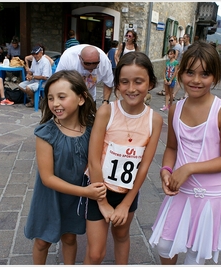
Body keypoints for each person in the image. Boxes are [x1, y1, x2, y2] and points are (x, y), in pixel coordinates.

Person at [149, 41, 221, 265]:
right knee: (165, 245)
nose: (196, 80)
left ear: (215, 77)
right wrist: (166, 171)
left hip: (209, 195)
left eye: (205, 74)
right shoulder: (175, 108)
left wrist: (188, 168)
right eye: (190, 72)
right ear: (180, 73)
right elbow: (171, 147)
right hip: (179, 190)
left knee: (195, 255)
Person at [84, 51, 163, 264]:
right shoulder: (106, 112)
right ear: (117, 84)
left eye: (138, 82)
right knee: (95, 253)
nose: (131, 88)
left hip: (127, 191)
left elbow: (144, 166)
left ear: (151, 83)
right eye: (124, 82)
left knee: (121, 236)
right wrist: (102, 202)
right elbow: (93, 159)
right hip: (98, 187)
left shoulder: (154, 120)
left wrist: (126, 203)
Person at [24, 70, 107, 264]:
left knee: (70, 237)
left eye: (62, 97)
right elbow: (47, 178)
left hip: (76, 198)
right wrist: (85, 192)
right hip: (50, 197)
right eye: (51, 98)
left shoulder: (93, 128)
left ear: (81, 98)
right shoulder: (46, 133)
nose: (55, 103)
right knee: (42, 241)